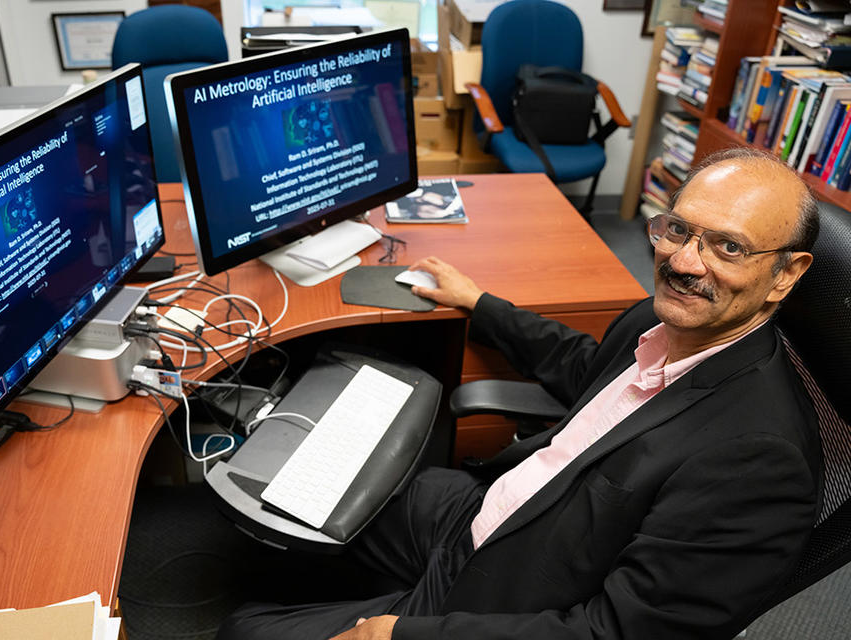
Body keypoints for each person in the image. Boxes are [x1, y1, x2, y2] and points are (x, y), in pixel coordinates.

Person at [217, 147, 822, 640]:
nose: (685, 262)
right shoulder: (665, 321)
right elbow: (582, 363)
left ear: (787, 275)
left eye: (728, 247)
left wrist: (396, 635)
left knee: (243, 630)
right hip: (492, 511)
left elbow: (614, 631)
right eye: (678, 230)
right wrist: (478, 303)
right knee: (320, 475)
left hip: (508, 595)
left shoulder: (758, 460)